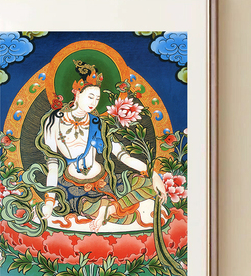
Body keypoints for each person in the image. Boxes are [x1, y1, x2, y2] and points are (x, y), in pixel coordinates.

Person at [39, 60, 167, 231]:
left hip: (104, 181)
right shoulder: (54, 121)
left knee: (149, 185)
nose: (94, 102)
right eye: (90, 96)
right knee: (111, 214)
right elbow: (53, 165)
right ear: (76, 93)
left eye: (97, 98)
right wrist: (50, 201)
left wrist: (153, 174)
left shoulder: (97, 123)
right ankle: (107, 209)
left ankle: (108, 209)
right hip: (74, 186)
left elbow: (123, 156)